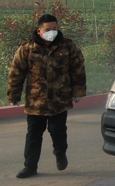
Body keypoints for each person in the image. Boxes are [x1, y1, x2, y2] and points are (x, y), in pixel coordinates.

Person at [7, 13, 87, 179]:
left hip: (59, 101)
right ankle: (29, 166)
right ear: (39, 31)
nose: (52, 32)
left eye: (55, 28)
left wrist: (78, 92)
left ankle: (60, 153)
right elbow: (16, 72)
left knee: (57, 131)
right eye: (48, 29)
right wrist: (14, 95)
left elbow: (78, 69)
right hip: (36, 101)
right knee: (33, 135)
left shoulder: (67, 46)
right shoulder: (28, 48)